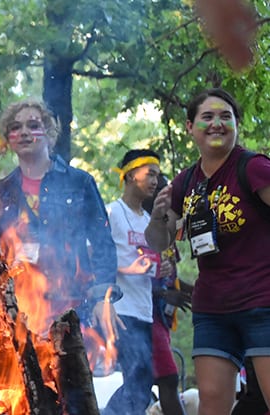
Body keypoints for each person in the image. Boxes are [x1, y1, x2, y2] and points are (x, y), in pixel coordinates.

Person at [145, 88, 270, 415]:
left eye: (226, 116)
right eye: (208, 117)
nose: (217, 123)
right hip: (213, 307)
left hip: (263, 300)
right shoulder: (186, 182)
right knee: (212, 402)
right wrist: (159, 214)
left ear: (236, 125)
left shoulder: (254, 167)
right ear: (190, 127)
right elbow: (159, 242)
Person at [0, 99, 119, 335]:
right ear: (9, 140)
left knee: (72, 371)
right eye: (16, 127)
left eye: (33, 125)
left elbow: (103, 243)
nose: (24, 132)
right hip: (22, 310)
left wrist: (103, 298)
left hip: (73, 308)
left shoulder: (79, 182)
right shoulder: (2, 191)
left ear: (48, 133)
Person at [103, 149, 162, 414]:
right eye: (150, 174)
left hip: (145, 310)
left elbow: (151, 263)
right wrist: (128, 268)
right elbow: (94, 258)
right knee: (139, 378)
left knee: (142, 381)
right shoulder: (111, 212)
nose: (155, 182)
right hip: (120, 309)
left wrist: (163, 267)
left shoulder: (149, 221)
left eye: (158, 176)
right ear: (129, 175)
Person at [144, 173, 193, 415]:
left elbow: (171, 277)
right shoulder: (140, 227)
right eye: (161, 190)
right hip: (146, 317)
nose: (167, 195)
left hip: (163, 321)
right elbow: (130, 278)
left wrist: (196, 290)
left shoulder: (168, 232)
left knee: (142, 386)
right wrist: (163, 294)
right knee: (169, 380)